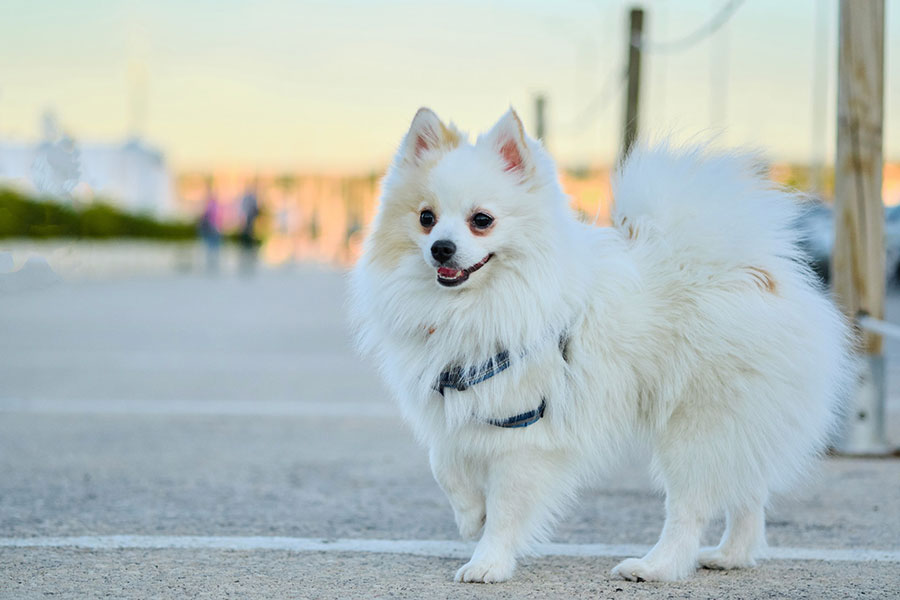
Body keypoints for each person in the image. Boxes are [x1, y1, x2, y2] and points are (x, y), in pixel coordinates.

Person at [198, 179, 222, 273]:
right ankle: (211, 263)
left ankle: (212, 263)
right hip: (213, 228)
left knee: (212, 246)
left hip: (214, 228)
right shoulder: (211, 204)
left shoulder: (212, 205)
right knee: (212, 246)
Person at [238, 180, 261, 274]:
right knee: (245, 246)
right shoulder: (246, 200)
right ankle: (245, 263)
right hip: (246, 229)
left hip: (250, 229)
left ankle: (249, 263)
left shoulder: (251, 199)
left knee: (249, 246)